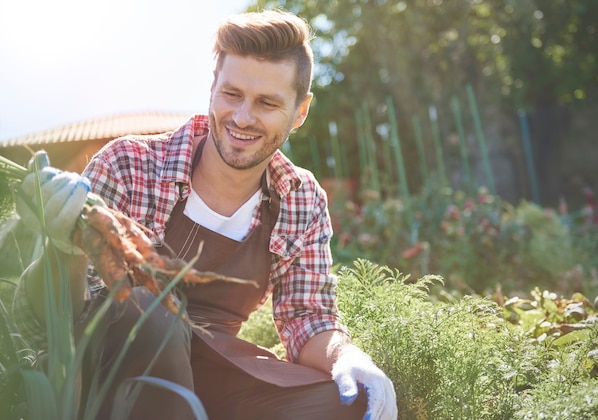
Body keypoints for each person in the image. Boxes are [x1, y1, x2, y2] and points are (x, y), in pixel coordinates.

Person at [13, 9, 397, 420]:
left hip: (218, 370)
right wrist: (63, 248)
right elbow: (58, 320)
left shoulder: (299, 198)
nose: (243, 117)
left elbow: (306, 317)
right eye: (232, 94)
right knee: (148, 309)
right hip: (113, 374)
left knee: (354, 401)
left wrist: (347, 356)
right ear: (213, 86)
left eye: (267, 103)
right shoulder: (127, 164)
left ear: (300, 112)